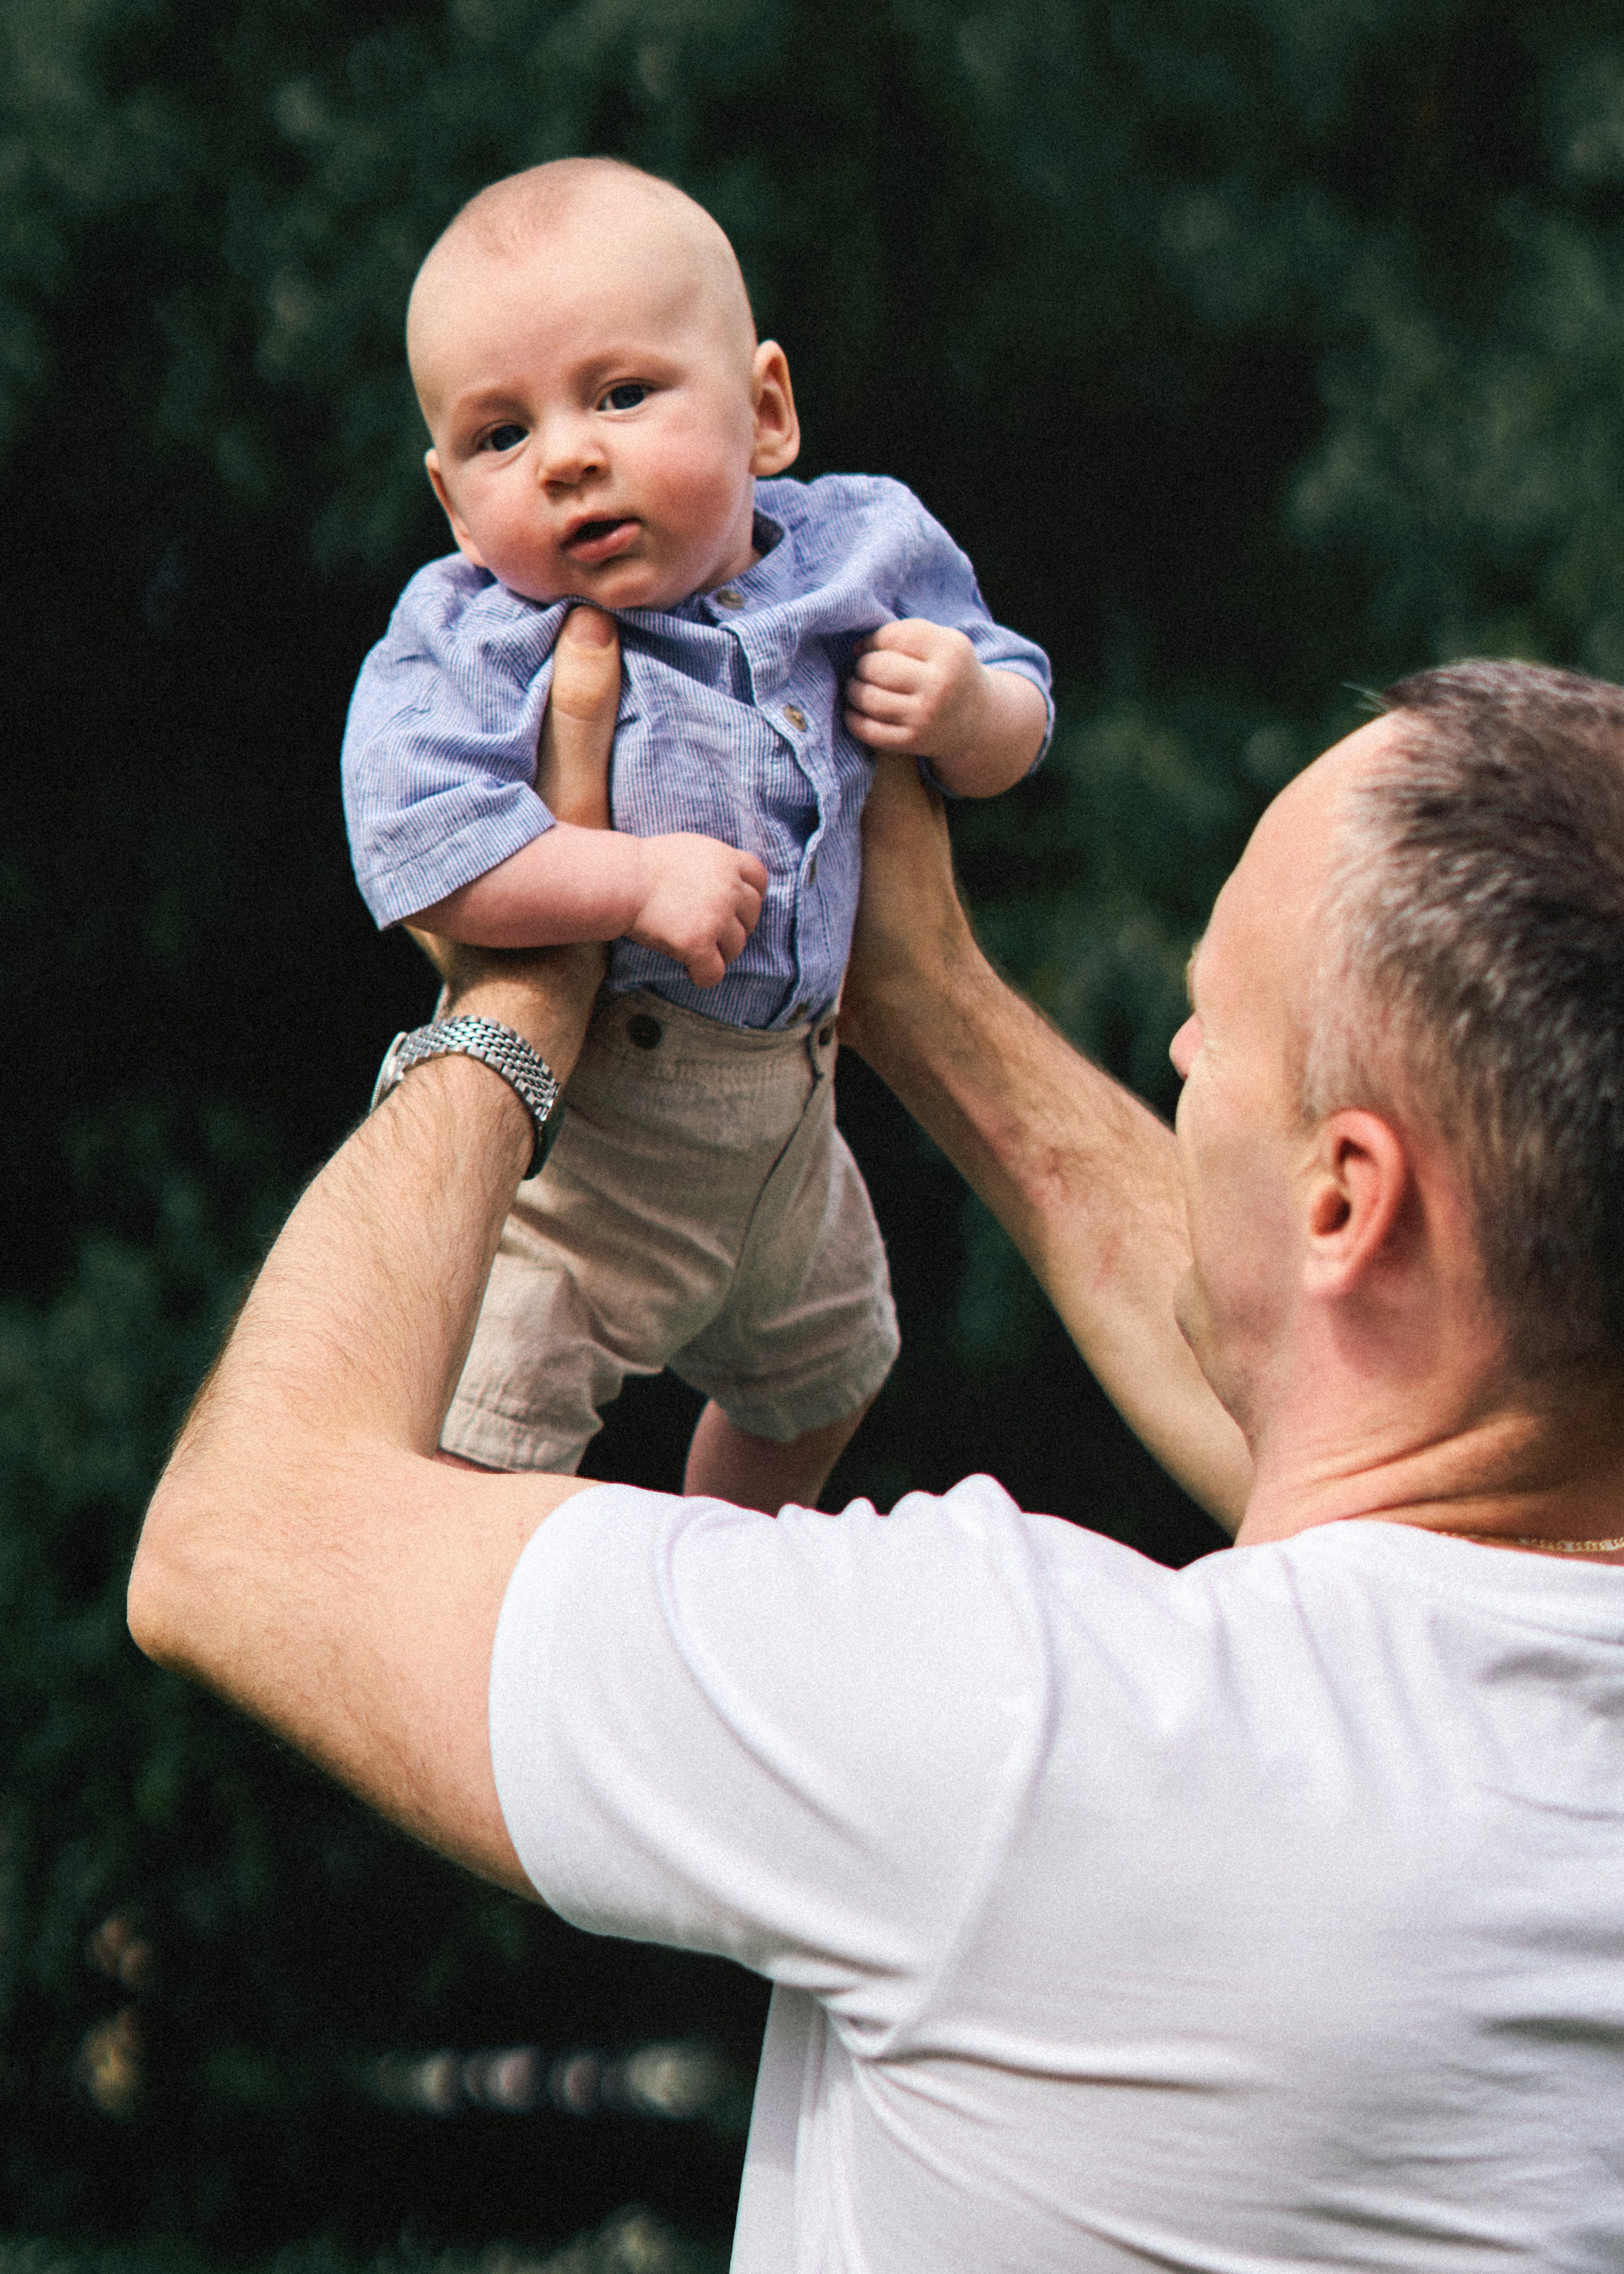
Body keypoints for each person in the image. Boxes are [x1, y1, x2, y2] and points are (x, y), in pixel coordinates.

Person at [130, 617, 1624, 2269]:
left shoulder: (1030, 1730)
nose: (1180, 1058)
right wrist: (925, 995)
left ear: (1347, 1198)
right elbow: (1331, 1412)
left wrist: (520, 996)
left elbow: (246, 1541)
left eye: (1215, 1032)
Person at [341, 156, 1052, 1511]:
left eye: (620, 394)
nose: (565, 456)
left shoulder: (856, 550)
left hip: (795, 1127)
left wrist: (965, 710)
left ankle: (713, 1565)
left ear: (765, 411)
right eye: (501, 437)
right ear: (449, 501)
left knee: (833, 1377)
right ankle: (499, 1694)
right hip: (597, 1152)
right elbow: (424, 853)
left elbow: (1020, 706)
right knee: (472, 1456)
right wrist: (628, 878)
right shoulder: (474, 639)